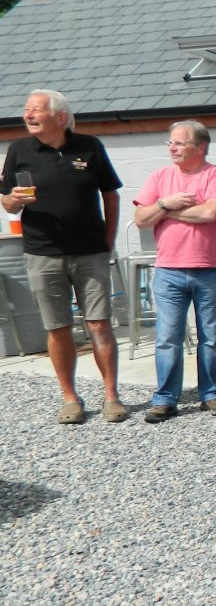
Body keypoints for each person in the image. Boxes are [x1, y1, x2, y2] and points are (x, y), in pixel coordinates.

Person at [0, 90, 127, 424]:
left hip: (90, 252)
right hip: (42, 253)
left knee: (99, 324)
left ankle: (111, 397)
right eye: (26, 109)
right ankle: (70, 398)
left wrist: (109, 240)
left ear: (59, 116)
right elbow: (8, 202)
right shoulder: (19, 149)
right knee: (58, 328)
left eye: (35, 110)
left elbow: (111, 195)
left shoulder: (90, 146)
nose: (27, 115)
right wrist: (12, 200)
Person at [132, 121, 216, 423]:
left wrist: (164, 211)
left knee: (211, 337)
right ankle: (164, 399)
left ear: (200, 147)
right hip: (169, 271)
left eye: (179, 143)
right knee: (167, 337)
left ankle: (211, 394)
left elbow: (210, 212)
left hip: (210, 269)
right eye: (170, 143)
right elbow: (140, 218)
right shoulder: (160, 177)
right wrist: (165, 202)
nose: (172, 148)